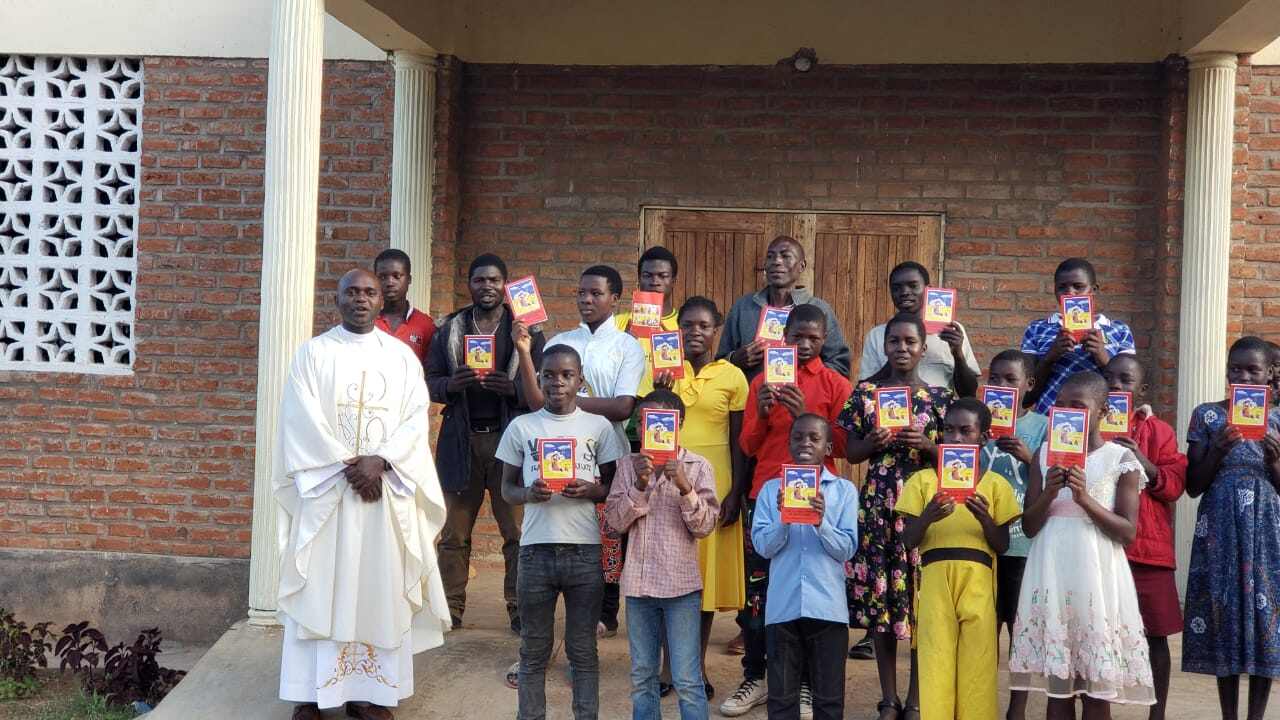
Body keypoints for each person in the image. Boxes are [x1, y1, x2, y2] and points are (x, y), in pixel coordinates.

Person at [275, 269, 450, 720]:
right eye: (351, 292)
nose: (360, 299)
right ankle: (312, 694)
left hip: (382, 494)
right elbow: (300, 418)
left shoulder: (401, 358)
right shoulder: (313, 354)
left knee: (378, 586)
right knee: (320, 585)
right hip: (329, 493)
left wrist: (381, 461)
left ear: (382, 300)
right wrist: (348, 466)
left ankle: (370, 695)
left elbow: (415, 419)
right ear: (336, 299)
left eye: (369, 292)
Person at [721, 304, 852, 718]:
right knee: (760, 597)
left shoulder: (834, 384)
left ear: (825, 337)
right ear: (785, 336)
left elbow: (844, 445)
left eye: (814, 338)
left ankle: (809, 685)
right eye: (798, 337)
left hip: (819, 498)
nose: (806, 344)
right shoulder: (763, 380)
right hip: (768, 495)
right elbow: (746, 446)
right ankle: (757, 676)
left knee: (813, 587)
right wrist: (760, 411)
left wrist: (802, 414)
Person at [1009, 371, 1154, 718]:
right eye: (1060, 406)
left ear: (1103, 410)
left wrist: (1084, 498)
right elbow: (1029, 526)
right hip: (1053, 571)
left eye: (1078, 406)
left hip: (1097, 576)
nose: (1067, 413)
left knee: (1094, 687)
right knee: (1058, 689)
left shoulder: (1121, 459)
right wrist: (1048, 490)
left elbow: (1127, 532)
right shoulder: (1044, 454)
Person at [498, 345, 628, 720]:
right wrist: (528, 493)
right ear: (538, 378)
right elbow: (507, 488)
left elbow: (611, 485)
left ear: (580, 380)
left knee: (583, 651)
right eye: (549, 375)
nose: (557, 382)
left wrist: (591, 491)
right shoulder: (522, 427)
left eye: (567, 375)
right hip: (535, 553)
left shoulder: (598, 427)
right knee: (533, 651)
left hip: (584, 553)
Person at [840, 312, 954, 720]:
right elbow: (849, 452)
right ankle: (888, 698)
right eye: (894, 341)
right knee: (883, 605)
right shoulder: (867, 392)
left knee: (921, 605)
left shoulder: (941, 399)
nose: (902, 348)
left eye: (910, 341)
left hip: (924, 507)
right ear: (883, 345)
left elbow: (957, 459)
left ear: (924, 348)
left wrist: (926, 445)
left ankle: (916, 699)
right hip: (878, 507)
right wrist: (872, 441)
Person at [523, 265, 647, 638]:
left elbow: (624, 406)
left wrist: (569, 402)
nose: (586, 300)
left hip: (606, 448)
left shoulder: (627, 346)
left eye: (595, 293)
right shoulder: (563, 341)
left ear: (615, 298)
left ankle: (606, 612)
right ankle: (564, 605)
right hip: (559, 448)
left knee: (609, 529)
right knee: (566, 521)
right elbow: (538, 400)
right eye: (581, 293)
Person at [428, 253, 545, 633]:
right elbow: (428, 381)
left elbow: (541, 391)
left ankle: (518, 609)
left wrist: (510, 390)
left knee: (516, 533)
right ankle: (451, 609)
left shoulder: (526, 331)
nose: (487, 287)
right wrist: (451, 385)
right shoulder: (450, 328)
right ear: (470, 284)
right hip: (461, 441)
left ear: (506, 284)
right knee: (453, 534)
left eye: (494, 280)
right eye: (480, 280)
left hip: (508, 442)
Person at [897, 398, 1020, 720]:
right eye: (949, 430)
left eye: (966, 431)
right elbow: (908, 540)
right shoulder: (923, 482)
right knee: (935, 661)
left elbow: (1002, 545)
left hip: (978, 580)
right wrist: (927, 516)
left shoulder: (994, 485)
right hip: (935, 580)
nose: (956, 438)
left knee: (977, 663)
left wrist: (985, 520)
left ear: (983, 437)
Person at [656, 296, 751, 699]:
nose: (695, 332)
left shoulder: (732, 376)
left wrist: (735, 494)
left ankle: (693, 669)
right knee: (667, 576)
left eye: (704, 326)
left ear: (717, 330)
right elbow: (645, 423)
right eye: (688, 325)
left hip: (714, 485)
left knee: (703, 583)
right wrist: (658, 394)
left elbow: (739, 440)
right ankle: (665, 671)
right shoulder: (661, 370)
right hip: (667, 481)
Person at [605, 389, 720, 720]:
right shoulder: (627, 466)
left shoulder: (697, 467)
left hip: (680, 588)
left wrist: (686, 488)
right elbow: (614, 522)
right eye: (643, 422)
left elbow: (705, 526)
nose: (649, 430)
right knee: (643, 676)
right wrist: (640, 486)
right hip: (639, 589)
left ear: (678, 424)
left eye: (659, 422)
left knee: (687, 678)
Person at [1182, 336, 1280, 720]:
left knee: (1264, 617)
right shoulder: (1207, 416)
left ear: (1270, 375)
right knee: (1224, 614)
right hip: (1220, 528)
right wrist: (1219, 449)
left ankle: (1256, 715)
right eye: (1235, 369)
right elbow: (1192, 485)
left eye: (1253, 370)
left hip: (1266, 530)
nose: (1243, 376)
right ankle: (1229, 715)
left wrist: (1274, 462)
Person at [751, 414, 859, 720]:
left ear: (827, 447)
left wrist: (822, 521)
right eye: (798, 437)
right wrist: (784, 518)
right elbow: (763, 547)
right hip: (783, 609)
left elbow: (846, 550)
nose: (805, 444)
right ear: (788, 443)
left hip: (827, 609)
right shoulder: (772, 491)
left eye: (814, 438)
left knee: (828, 701)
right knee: (782, 701)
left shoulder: (843, 492)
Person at [1102, 354, 1186, 720]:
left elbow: (1173, 487)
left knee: (1156, 635)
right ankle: (1097, 706)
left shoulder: (1160, 431)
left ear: (1142, 389)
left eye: (1127, 380)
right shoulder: (1091, 427)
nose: (1118, 387)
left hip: (1148, 548)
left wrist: (1139, 458)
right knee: (1099, 632)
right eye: (1112, 379)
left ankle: (1158, 714)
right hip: (1102, 543)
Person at [980, 350, 1048, 720]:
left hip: (1024, 543)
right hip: (983, 541)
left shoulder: (1042, 426)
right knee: (984, 630)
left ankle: (1017, 709)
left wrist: (1029, 456)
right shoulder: (978, 424)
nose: (1002, 386)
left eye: (1011, 380)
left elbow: (1055, 471)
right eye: (996, 379)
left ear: (1029, 385)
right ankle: (982, 701)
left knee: (1019, 632)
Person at [717, 235, 851, 380]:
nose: (776, 261)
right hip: (752, 399)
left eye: (785, 256)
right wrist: (735, 360)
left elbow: (840, 365)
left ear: (802, 266)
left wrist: (805, 379)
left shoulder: (819, 310)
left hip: (803, 401)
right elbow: (718, 364)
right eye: (770, 256)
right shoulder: (743, 308)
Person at [1020, 257, 1135, 414]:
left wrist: (1102, 357)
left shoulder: (1119, 331)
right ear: (1055, 291)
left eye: (1078, 286)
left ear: (1093, 290)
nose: (1070, 292)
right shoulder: (1037, 329)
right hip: (1048, 422)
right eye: (1062, 287)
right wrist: (1050, 356)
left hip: (1101, 425)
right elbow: (1026, 397)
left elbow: (1129, 392)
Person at [855, 261, 980, 395]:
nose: (904, 292)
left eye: (913, 286)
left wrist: (958, 354)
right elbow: (863, 389)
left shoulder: (951, 331)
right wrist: (894, 358)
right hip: (893, 411)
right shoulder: (877, 335)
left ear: (928, 289)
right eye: (896, 288)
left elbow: (969, 393)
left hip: (940, 412)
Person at [373, 248, 436, 363]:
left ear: (409, 279)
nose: (390, 282)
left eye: (397, 276)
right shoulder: (367, 321)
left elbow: (432, 372)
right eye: (382, 277)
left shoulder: (426, 325)